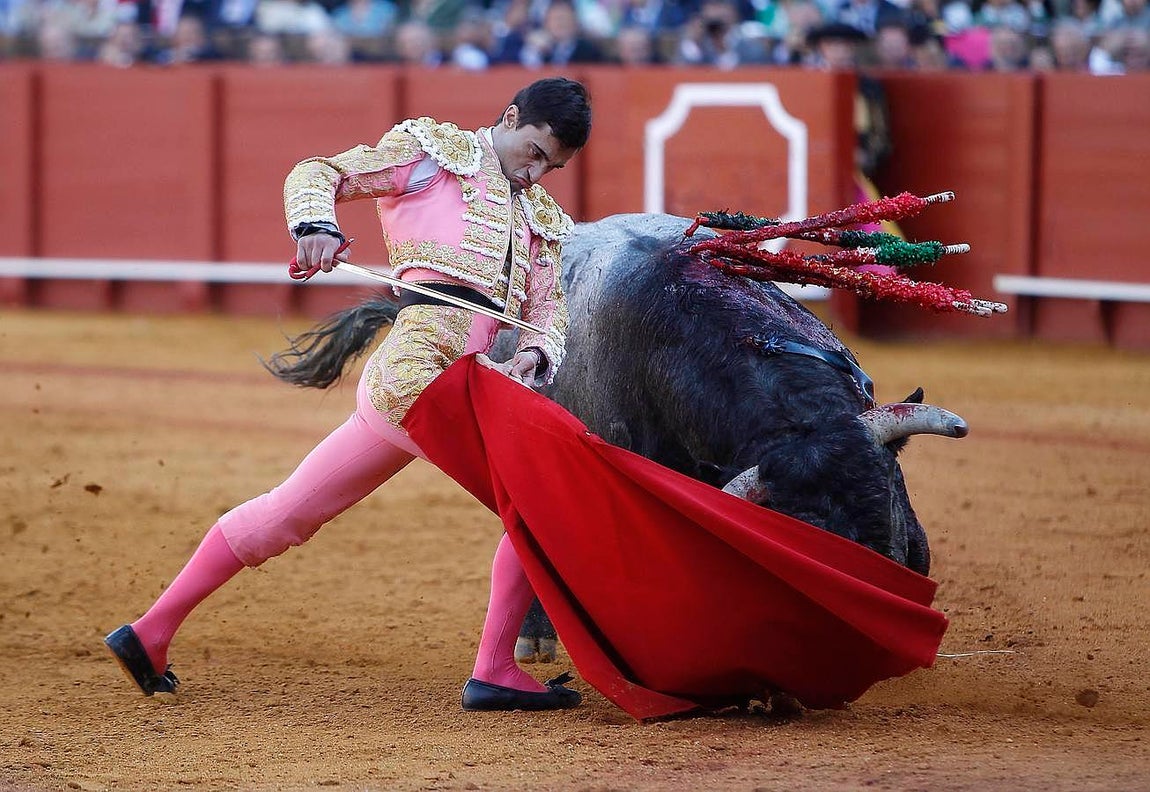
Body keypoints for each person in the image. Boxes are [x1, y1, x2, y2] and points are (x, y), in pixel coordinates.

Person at [104, 77, 593, 713]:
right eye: (534, 153)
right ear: (509, 117)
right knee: (539, 501)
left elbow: (549, 311)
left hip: (434, 383)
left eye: (551, 167)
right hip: (420, 373)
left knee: (285, 514)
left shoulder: (542, 219)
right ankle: (496, 668)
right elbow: (320, 171)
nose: (535, 174)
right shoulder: (433, 156)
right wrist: (316, 226)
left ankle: (149, 632)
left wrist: (535, 351)